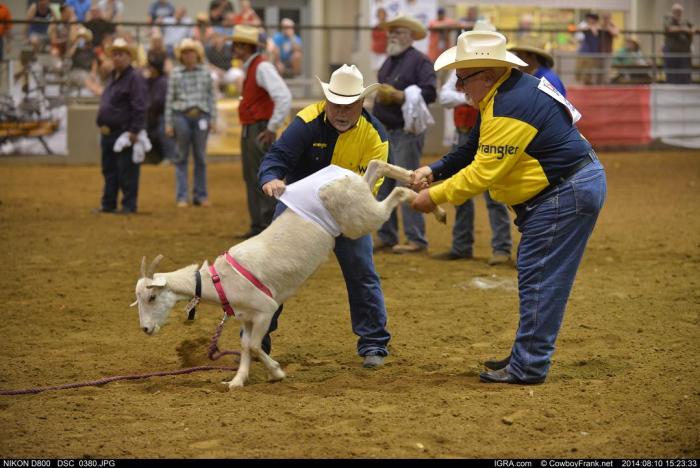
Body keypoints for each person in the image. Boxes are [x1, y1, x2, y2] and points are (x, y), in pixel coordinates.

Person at [410, 28, 606, 384]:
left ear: (486, 75)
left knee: (540, 278)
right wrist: (433, 170)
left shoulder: (506, 107)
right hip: (568, 188)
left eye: (462, 79)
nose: (458, 87)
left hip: (562, 193)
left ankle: (528, 365)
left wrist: (433, 196)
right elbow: (472, 149)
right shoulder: (509, 93)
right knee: (538, 277)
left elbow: (482, 173)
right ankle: (526, 355)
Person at [258, 64, 391, 368]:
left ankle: (373, 343)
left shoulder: (376, 136)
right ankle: (256, 338)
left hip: (347, 212)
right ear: (327, 101)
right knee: (273, 271)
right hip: (300, 208)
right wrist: (271, 178)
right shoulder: (306, 121)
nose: (341, 112)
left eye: (349, 105)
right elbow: (277, 156)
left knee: (362, 271)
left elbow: (374, 186)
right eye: (335, 104)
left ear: (362, 103)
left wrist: (348, 213)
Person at [373, 14, 437, 254]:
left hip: (404, 132)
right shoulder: (389, 61)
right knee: (384, 184)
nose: (392, 36)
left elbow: (430, 92)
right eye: (391, 32)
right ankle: (386, 234)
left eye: (398, 32)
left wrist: (398, 96)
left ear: (410, 37)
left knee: (408, 182)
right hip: (386, 131)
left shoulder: (420, 61)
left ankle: (416, 238)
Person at [231, 24, 291, 239]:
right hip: (255, 126)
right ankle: (259, 225)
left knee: (261, 176)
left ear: (247, 47)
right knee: (254, 176)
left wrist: (271, 127)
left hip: (258, 127)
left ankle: (266, 225)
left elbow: (283, 96)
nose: (235, 48)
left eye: (239, 45)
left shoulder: (261, 67)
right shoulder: (256, 66)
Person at [94, 38, 147, 215]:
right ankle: (108, 203)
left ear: (129, 57)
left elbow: (140, 106)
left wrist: (134, 130)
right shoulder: (112, 77)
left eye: (121, 54)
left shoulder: (134, 78)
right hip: (108, 132)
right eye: (114, 54)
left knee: (127, 170)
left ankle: (129, 205)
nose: (117, 57)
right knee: (109, 169)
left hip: (124, 132)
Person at [165, 38, 216, 208]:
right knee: (181, 157)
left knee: (200, 157)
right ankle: (182, 196)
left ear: (197, 54)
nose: (188, 55)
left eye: (191, 51)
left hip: (201, 115)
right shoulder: (175, 74)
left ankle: (200, 196)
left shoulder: (205, 72)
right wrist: (168, 123)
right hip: (181, 116)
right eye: (185, 52)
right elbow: (169, 100)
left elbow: (211, 97)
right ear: (181, 55)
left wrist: (213, 119)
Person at [145, 51, 176, 164]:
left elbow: (159, 101)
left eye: (150, 67)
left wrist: (148, 107)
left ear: (155, 68)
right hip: (149, 115)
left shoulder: (163, 81)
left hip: (162, 115)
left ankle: (170, 156)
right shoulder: (147, 81)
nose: (149, 69)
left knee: (163, 128)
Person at [663, 3, 695, 84]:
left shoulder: (686, 21)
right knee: (671, 74)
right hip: (671, 53)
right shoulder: (668, 19)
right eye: (676, 11)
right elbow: (669, 29)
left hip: (684, 53)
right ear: (672, 12)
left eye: (679, 11)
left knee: (685, 74)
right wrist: (684, 29)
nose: (678, 13)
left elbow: (694, 28)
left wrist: (692, 30)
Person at [574, 12, 600, 85]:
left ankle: (586, 84)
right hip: (583, 51)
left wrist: (593, 28)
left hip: (592, 52)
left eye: (592, 18)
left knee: (588, 71)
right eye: (589, 18)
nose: (590, 20)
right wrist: (589, 27)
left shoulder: (598, 27)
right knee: (579, 69)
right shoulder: (585, 26)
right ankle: (580, 83)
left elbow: (596, 33)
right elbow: (578, 29)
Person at [370, 7, 388, 72]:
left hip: (384, 52)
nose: (381, 16)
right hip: (375, 51)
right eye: (380, 14)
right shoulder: (375, 27)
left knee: (382, 68)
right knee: (375, 69)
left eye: (383, 14)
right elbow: (374, 38)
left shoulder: (388, 27)